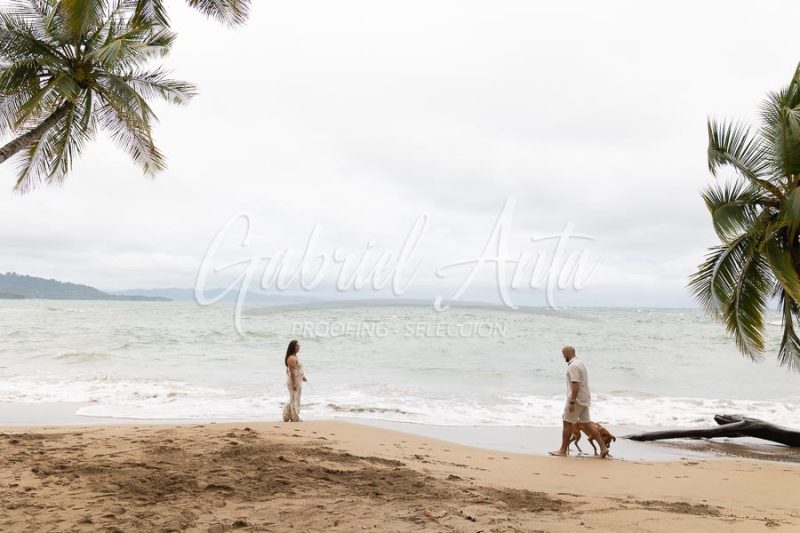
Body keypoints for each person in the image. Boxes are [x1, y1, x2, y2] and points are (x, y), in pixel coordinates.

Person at [549, 345, 609, 458]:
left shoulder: (573, 366)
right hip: (584, 398)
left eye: (563, 354)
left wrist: (572, 402)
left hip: (576, 399)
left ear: (568, 353)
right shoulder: (580, 363)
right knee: (587, 424)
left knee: (567, 422)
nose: (563, 356)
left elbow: (575, 385)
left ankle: (562, 450)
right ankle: (603, 448)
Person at [282, 339, 306, 422]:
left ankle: (292, 416)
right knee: (294, 398)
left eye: (299, 345)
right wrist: (294, 384)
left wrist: (303, 377)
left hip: (297, 379)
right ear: (293, 347)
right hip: (293, 380)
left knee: (296, 398)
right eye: (297, 346)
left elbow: (297, 369)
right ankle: (294, 417)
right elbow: (292, 372)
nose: (299, 347)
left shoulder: (295, 356)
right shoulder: (291, 358)